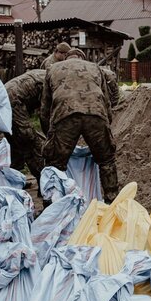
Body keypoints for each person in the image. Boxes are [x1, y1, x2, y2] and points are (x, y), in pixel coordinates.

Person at [40, 48, 120, 202]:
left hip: (65, 115)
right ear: (83, 58)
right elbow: (106, 103)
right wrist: (105, 131)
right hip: (96, 114)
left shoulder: (52, 69)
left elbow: (45, 108)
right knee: (106, 161)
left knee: (55, 165)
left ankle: (52, 206)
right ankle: (112, 202)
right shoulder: (95, 67)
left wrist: (49, 136)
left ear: (66, 58)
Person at [4, 69, 47, 180]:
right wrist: (48, 135)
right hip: (14, 102)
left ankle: (13, 179)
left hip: (2, 99)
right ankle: (43, 180)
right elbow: (44, 113)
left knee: (15, 141)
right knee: (31, 142)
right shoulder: (50, 82)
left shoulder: (42, 73)